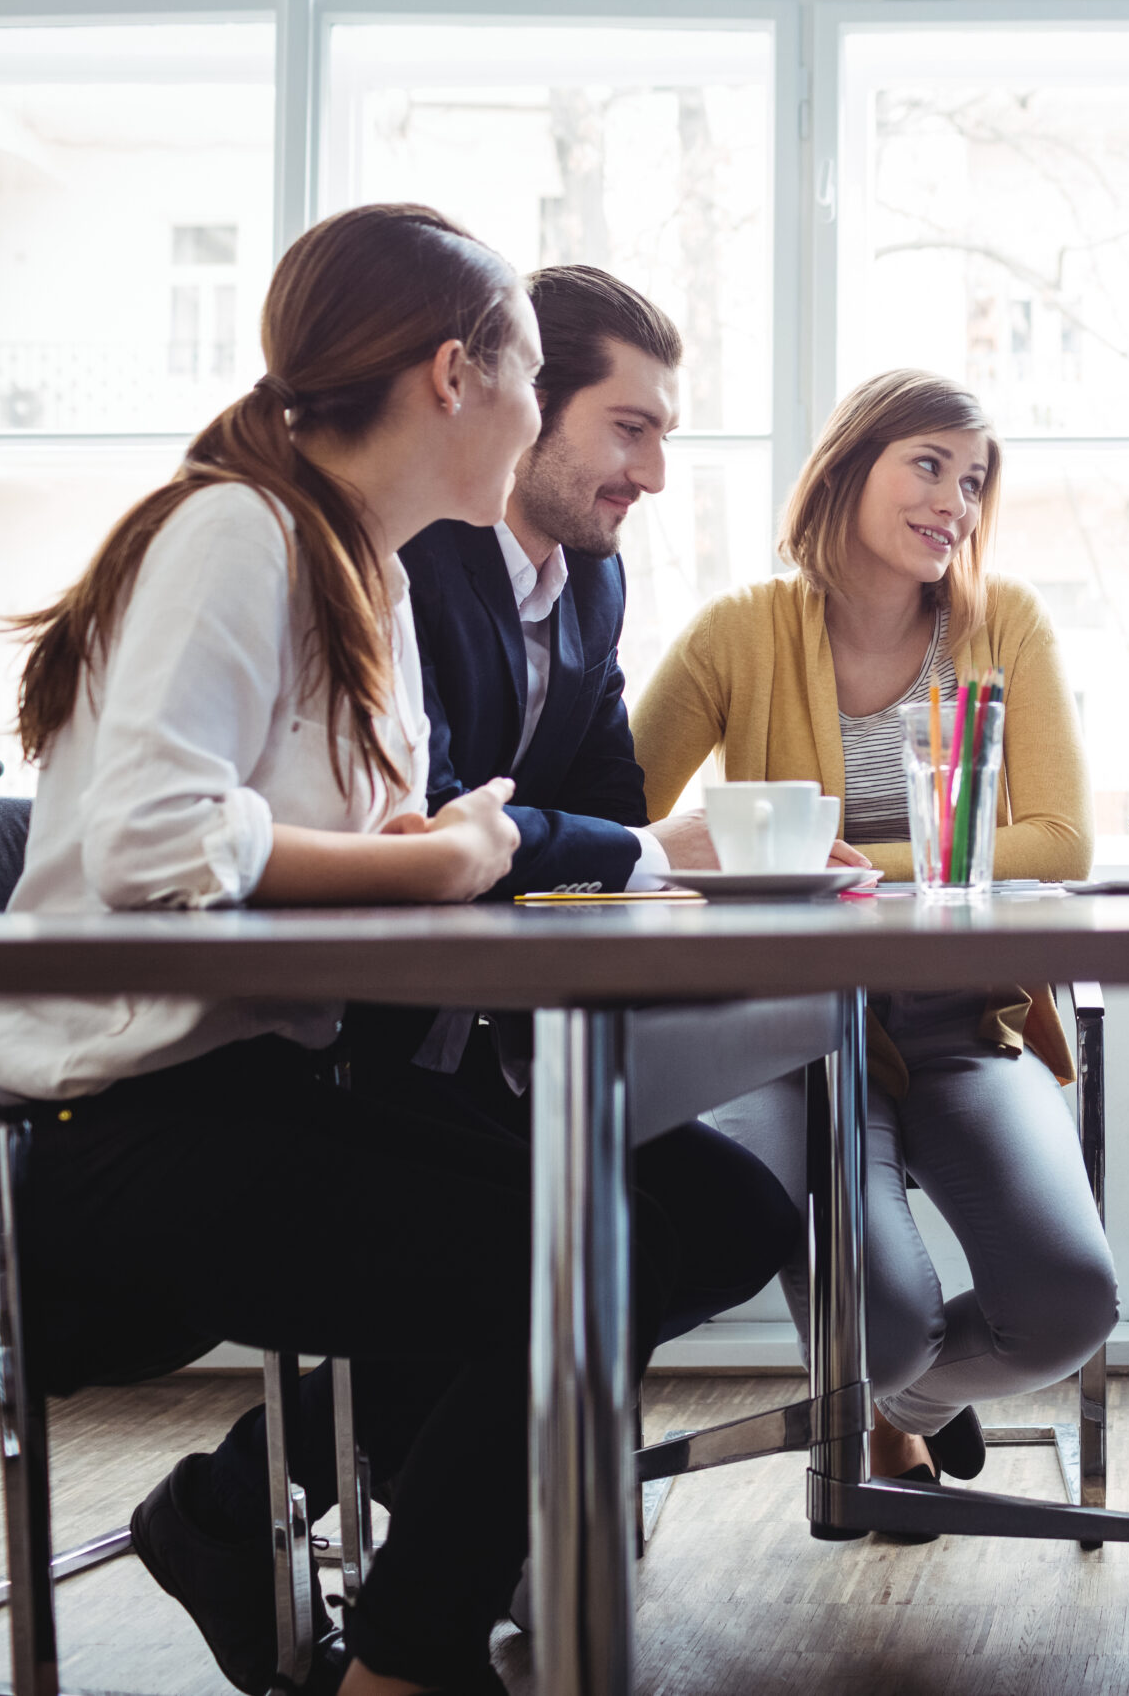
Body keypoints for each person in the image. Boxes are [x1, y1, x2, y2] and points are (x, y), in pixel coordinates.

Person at [0, 203, 666, 1696]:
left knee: (633, 1219)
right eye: (531, 378)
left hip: (257, 1082)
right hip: (81, 1132)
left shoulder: (367, 569)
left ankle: (365, 1583)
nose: (534, 416)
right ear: (454, 375)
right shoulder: (233, 530)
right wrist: (455, 852)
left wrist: (435, 849)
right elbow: (157, 840)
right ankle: (402, 1655)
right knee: (565, 1263)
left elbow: (365, 843)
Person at [149, 263, 803, 1678]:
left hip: (466, 1032)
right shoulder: (399, 555)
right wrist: (589, 843)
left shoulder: (589, 580)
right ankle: (415, 1597)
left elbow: (591, 811)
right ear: (516, 404)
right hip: (341, 1044)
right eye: (629, 428)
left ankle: (259, 1494)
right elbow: (467, 815)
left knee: (726, 1211)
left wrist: (594, 844)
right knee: (586, 1250)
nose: (655, 471)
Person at [629, 368, 1115, 1505]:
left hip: (960, 1020)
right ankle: (880, 1397)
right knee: (880, 1332)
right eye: (929, 466)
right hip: (790, 1034)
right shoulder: (738, 633)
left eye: (975, 479)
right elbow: (613, 829)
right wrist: (714, 851)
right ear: (847, 467)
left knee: (1065, 1312)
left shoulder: (1006, 627)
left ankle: (900, 1415)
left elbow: (1055, 844)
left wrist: (828, 867)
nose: (957, 500)